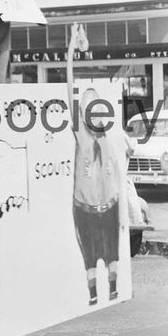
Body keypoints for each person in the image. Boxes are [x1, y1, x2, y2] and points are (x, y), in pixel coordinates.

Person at [72, 87, 127, 305]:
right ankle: (92, 295)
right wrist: (71, 57)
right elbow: (70, 95)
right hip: (85, 209)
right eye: (87, 108)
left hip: (109, 207)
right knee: (90, 258)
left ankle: (114, 290)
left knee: (112, 254)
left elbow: (118, 178)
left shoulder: (108, 141)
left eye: (96, 108)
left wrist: (123, 214)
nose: (93, 114)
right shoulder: (80, 136)